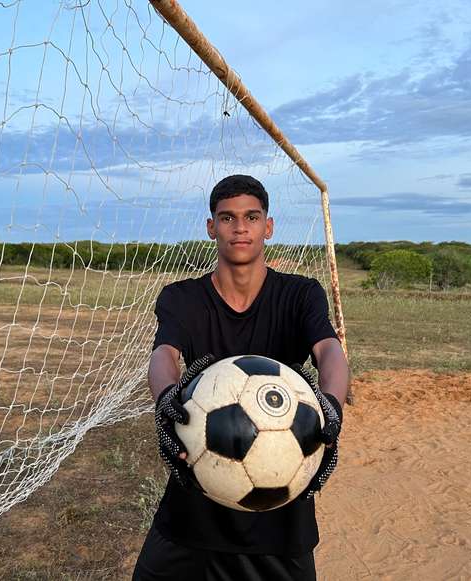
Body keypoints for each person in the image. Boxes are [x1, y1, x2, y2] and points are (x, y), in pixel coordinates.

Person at [133, 174, 349, 581]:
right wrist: (165, 399)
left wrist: (331, 408)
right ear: (211, 227)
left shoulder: (301, 294)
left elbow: (328, 350)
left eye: (251, 217)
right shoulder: (182, 297)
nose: (240, 227)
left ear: (268, 226)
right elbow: (164, 353)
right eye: (227, 218)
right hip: (196, 496)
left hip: (282, 509)